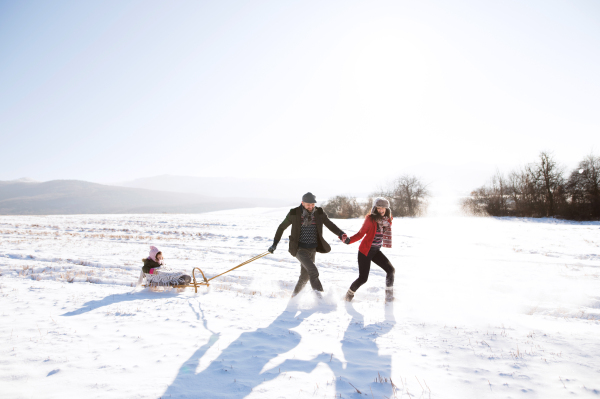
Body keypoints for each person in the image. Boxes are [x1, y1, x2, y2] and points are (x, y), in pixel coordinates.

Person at [269, 192, 348, 297]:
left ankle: (294, 297)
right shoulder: (294, 213)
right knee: (313, 271)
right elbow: (281, 227)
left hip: (312, 248)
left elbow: (330, 224)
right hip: (299, 249)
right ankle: (321, 299)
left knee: (305, 277)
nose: (311, 207)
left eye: (312, 204)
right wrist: (275, 243)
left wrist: (341, 234)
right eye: (308, 205)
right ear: (302, 203)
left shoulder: (319, 212)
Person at [345, 197, 395, 302]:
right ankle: (348, 295)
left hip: (376, 251)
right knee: (363, 278)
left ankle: (389, 297)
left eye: (383, 208)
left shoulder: (388, 219)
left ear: (387, 209)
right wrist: (349, 240)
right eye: (379, 208)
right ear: (375, 208)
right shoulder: (370, 219)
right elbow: (360, 234)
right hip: (365, 251)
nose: (381, 210)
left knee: (391, 270)